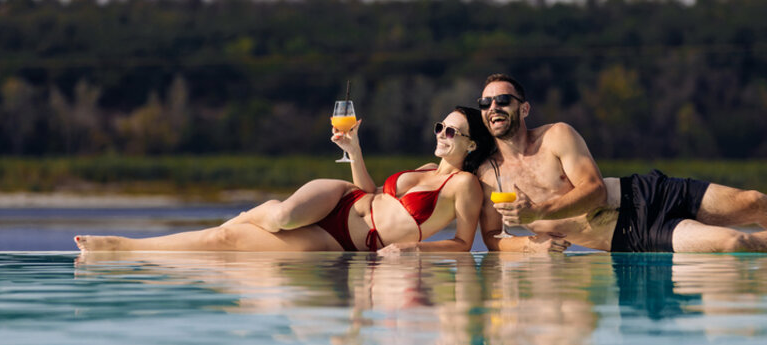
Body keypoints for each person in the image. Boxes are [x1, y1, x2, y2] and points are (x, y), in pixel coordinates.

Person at [475, 73, 767, 253]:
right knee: (733, 244)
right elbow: (493, 239)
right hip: (628, 233)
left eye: (503, 99)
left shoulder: (558, 135)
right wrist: (531, 245)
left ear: (523, 107)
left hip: (639, 192)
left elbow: (589, 189)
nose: (494, 106)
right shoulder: (485, 175)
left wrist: (540, 214)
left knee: (754, 200)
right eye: (486, 102)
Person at [75, 106, 501, 253]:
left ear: (471, 145)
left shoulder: (463, 186)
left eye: (451, 132)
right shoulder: (425, 171)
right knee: (278, 217)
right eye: (439, 128)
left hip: (348, 242)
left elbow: (465, 244)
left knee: (228, 241)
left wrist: (412, 250)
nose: (440, 135)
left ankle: (123, 247)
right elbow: (372, 193)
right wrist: (354, 151)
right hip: (341, 196)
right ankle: (256, 213)